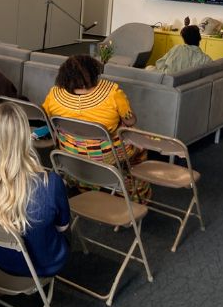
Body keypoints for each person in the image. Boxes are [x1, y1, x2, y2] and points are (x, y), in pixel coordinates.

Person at [0, 103, 70, 277]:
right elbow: (63, 228)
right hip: (46, 265)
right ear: (25, 137)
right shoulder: (50, 183)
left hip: (1, 260)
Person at [42, 54, 150, 200]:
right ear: (94, 73)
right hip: (108, 155)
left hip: (71, 151)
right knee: (140, 149)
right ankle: (137, 194)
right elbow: (130, 121)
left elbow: (47, 118)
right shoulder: (112, 92)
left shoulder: (54, 94)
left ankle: (84, 184)